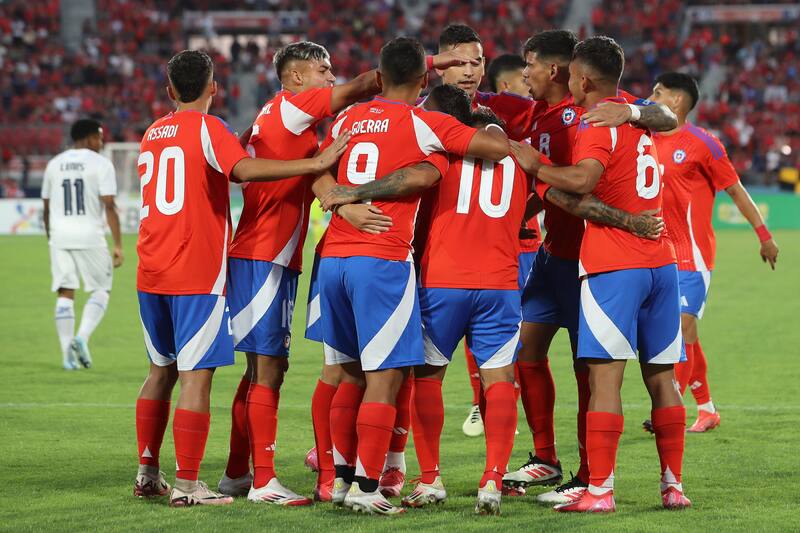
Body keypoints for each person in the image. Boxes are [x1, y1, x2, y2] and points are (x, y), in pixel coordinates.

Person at [132, 49, 348, 507]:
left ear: (170, 91)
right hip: (196, 268)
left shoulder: (153, 131)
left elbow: (244, 150)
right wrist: (313, 164)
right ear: (214, 88)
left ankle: (152, 471)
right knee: (205, 376)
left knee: (162, 372)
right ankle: (193, 485)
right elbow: (241, 168)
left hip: (150, 266)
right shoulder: (209, 129)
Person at [310, 36, 509, 515]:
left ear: (377, 78)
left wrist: (341, 197)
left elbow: (317, 170)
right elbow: (493, 148)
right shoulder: (426, 121)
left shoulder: (347, 117)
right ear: (425, 81)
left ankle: (337, 482)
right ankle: (367, 487)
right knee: (388, 375)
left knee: (347, 372)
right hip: (381, 260)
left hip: (333, 258)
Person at [514, 35, 690, 513]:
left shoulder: (595, 121)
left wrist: (537, 166)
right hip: (661, 260)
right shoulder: (637, 116)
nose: (566, 80)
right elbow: (667, 117)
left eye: (571, 74)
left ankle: (599, 491)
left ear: (584, 79)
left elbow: (581, 180)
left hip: (614, 264)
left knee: (604, 380)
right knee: (662, 378)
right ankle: (672, 486)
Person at [643, 72, 779, 433]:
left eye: (658, 91)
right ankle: (707, 409)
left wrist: (764, 236)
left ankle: (668, 405)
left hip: (693, 256)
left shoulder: (704, 143)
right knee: (686, 337)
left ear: (676, 100)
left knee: (683, 327)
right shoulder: (645, 139)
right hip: (656, 253)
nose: (650, 95)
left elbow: (736, 191)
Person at [41, 118, 123, 370]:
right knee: (101, 289)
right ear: (87, 137)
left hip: (59, 235)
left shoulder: (54, 164)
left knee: (65, 292)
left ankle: (67, 355)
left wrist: (51, 236)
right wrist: (118, 244)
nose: (102, 141)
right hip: (89, 235)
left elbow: (45, 207)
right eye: (99, 136)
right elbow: (109, 205)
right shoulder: (101, 164)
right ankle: (82, 337)